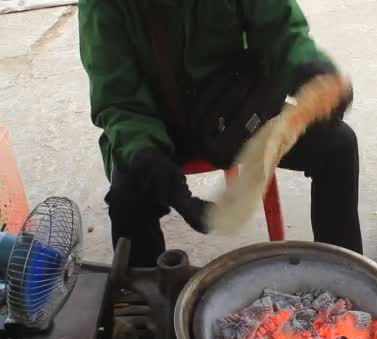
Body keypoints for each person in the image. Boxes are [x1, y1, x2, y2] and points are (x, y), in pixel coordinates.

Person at [78, 0, 362, 267]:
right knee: (128, 201)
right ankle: (149, 306)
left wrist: (310, 70)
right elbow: (117, 97)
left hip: (235, 109)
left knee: (338, 146)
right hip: (153, 122)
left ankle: (347, 276)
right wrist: (147, 156)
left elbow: (281, 33)